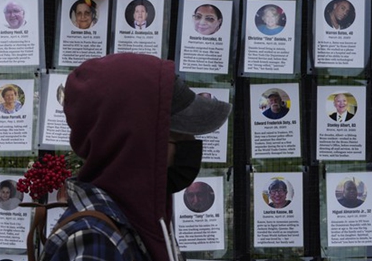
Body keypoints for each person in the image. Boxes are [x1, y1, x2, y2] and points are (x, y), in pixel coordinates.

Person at [41, 53, 231, 261]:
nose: (191, 143)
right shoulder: (94, 242)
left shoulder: (137, 218)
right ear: (136, 143)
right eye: (179, 134)